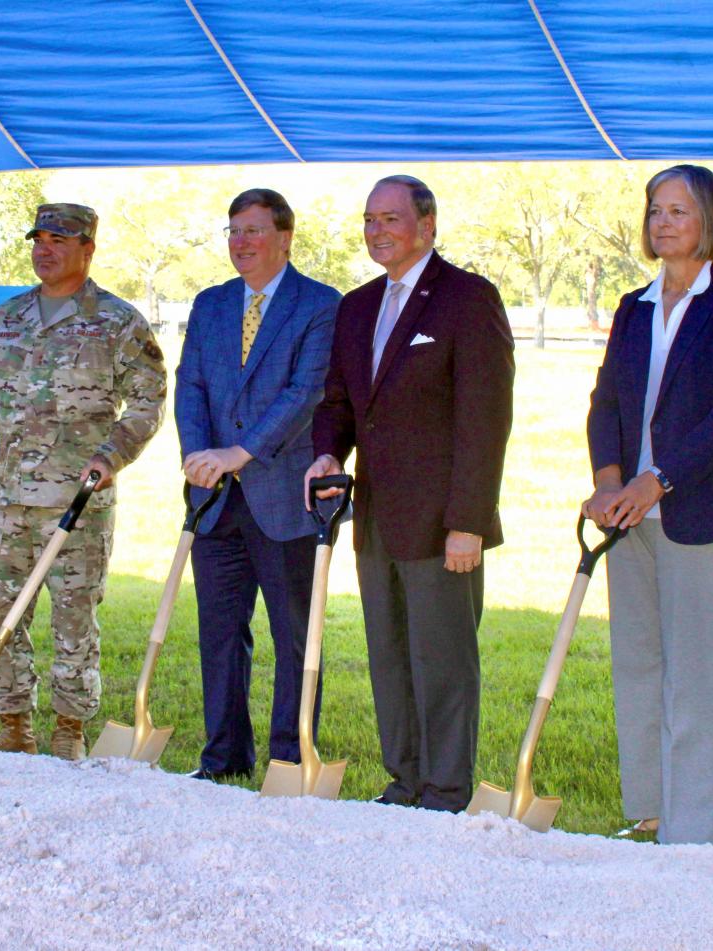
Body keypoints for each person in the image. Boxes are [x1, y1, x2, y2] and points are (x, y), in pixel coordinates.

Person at [306, 175, 514, 811]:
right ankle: (403, 783)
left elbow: (485, 420)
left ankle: (445, 793)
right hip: (374, 518)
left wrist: (468, 522)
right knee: (390, 658)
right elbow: (340, 400)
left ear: (427, 225)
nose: (377, 231)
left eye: (390, 219)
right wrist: (327, 452)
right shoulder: (358, 306)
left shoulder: (467, 299)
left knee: (443, 663)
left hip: (444, 523)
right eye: (370, 220)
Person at [582, 165, 713, 846]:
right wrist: (610, 481)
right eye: (655, 210)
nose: (663, 223)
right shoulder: (633, 307)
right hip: (628, 520)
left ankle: (694, 834)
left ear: (709, 221)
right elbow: (607, 400)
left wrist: (654, 481)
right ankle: (650, 811)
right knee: (638, 666)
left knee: (696, 679)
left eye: (678, 211)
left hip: (703, 517)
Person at [0, 203, 166, 761]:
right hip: (9, 501)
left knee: (74, 619)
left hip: (79, 501)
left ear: (88, 249)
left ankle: (69, 726)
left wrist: (112, 455)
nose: (44, 250)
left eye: (59, 241)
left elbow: (148, 401)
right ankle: (13, 724)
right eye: (39, 240)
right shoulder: (7, 319)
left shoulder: (117, 322)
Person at [174, 188, 340, 781]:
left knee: (295, 637)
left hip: (287, 498)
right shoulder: (211, 303)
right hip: (215, 500)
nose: (241, 242)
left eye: (253, 230)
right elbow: (190, 384)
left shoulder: (320, 304)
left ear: (284, 238)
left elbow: (306, 392)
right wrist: (198, 455)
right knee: (219, 634)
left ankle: (290, 761)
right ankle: (223, 758)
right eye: (234, 231)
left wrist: (238, 454)